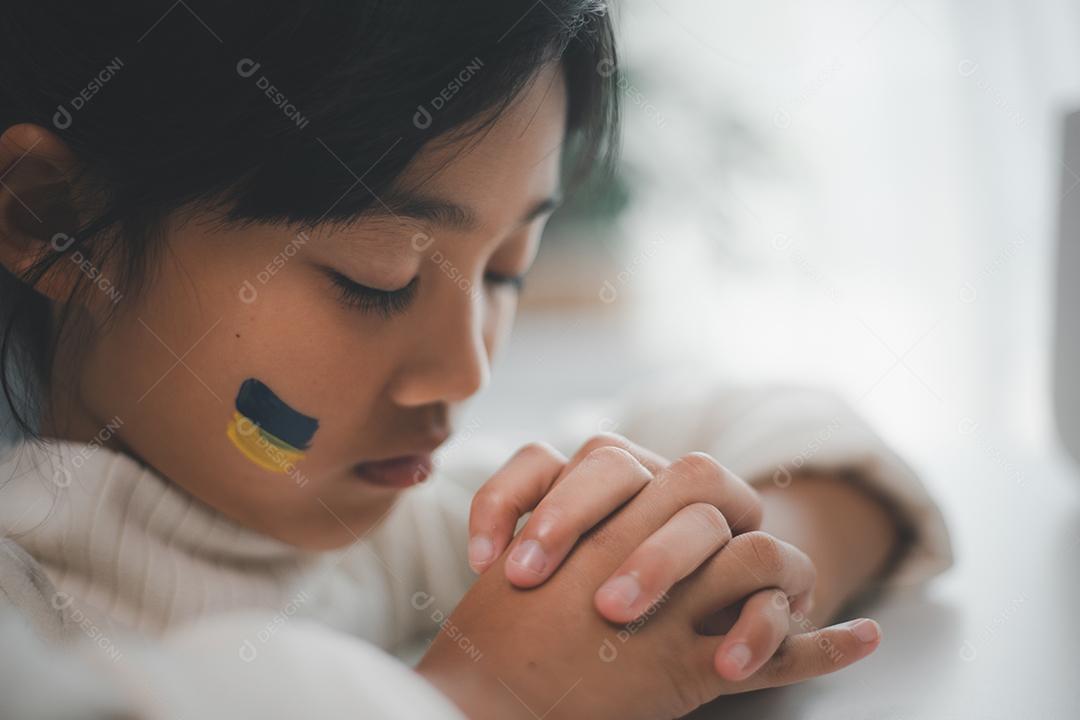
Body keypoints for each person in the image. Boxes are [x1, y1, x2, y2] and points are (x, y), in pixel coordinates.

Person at [0, 2, 951, 718]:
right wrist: (483, 694)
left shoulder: (420, 534)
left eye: (506, 271)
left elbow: (800, 436)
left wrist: (732, 562)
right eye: (379, 278)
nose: (466, 375)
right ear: (51, 219)